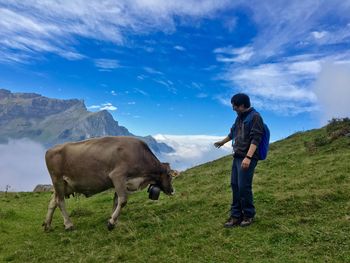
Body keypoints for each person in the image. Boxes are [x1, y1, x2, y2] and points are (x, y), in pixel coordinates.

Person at [214, 93, 264, 228]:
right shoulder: (239, 118)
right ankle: (236, 215)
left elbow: (256, 138)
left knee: (244, 187)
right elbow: (233, 133)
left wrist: (248, 157)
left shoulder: (255, 117)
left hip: (247, 157)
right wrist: (222, 142)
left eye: (234, 106)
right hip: (237, 156)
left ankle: (248, 215)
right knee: (235, 185)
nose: (233, 108)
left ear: (242, 105)